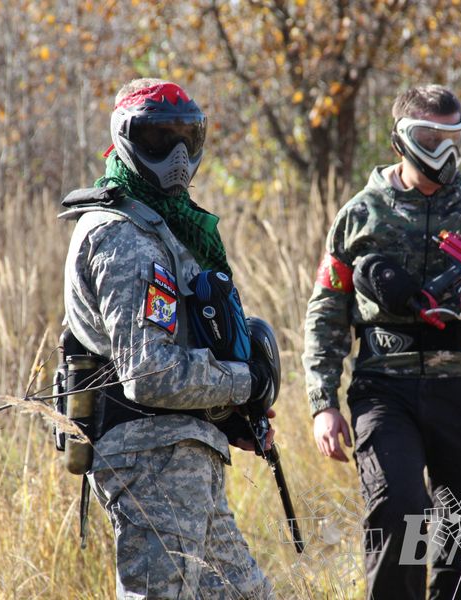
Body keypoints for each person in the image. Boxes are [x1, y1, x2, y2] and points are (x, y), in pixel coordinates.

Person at [302, 84, 461, 599]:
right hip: (384, 387)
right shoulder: (360, 214)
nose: (444, 151)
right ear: (400, 141)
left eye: (454, 136)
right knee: (399, 512)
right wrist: (323, 402)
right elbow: (326, 313)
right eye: (430, 137)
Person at [61, 78, 274, 599]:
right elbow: (152, 375)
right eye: (159, 139)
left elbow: (174, 345)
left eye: (188, 138)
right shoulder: (123, 235)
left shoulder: (160, 227)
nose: (177, 156)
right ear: (127, 139)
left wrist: (229, 414)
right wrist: (244, 383)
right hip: (148, 456)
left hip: (179, 451)